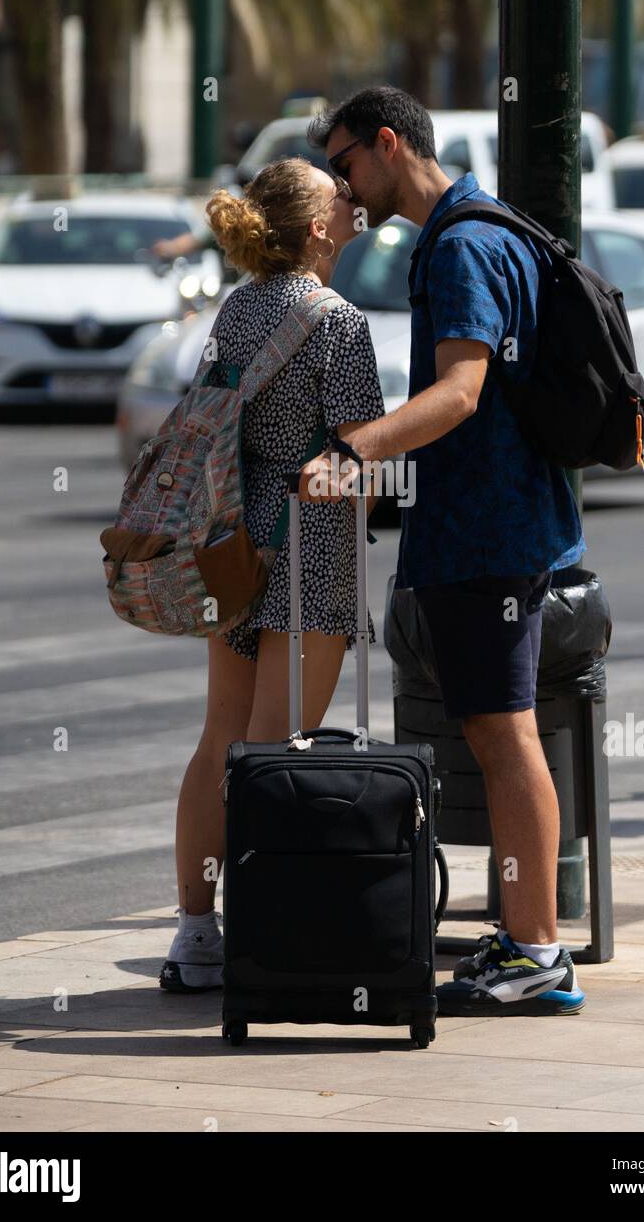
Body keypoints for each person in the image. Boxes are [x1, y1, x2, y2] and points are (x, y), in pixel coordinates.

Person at [301, 86, 587, 1016]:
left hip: (487, 535)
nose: (343, 186)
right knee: (499, 731)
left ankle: (539, 950)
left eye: (346, 163)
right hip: (493, 527)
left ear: (389, 144)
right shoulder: (479, 228)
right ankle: (526, 939)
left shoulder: (463, 244)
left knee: (505, 738)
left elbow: (461, 392)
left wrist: (356, 453)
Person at [160, 157, 384, 992]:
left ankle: (196, 933)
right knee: (274, 748)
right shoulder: (338, 322)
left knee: (223, 735)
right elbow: (361, 449)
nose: (353, 201)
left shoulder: (238, 307)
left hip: (234, 541)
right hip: (310, 547)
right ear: (318, 229)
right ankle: (267, 930)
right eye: (339, 196)